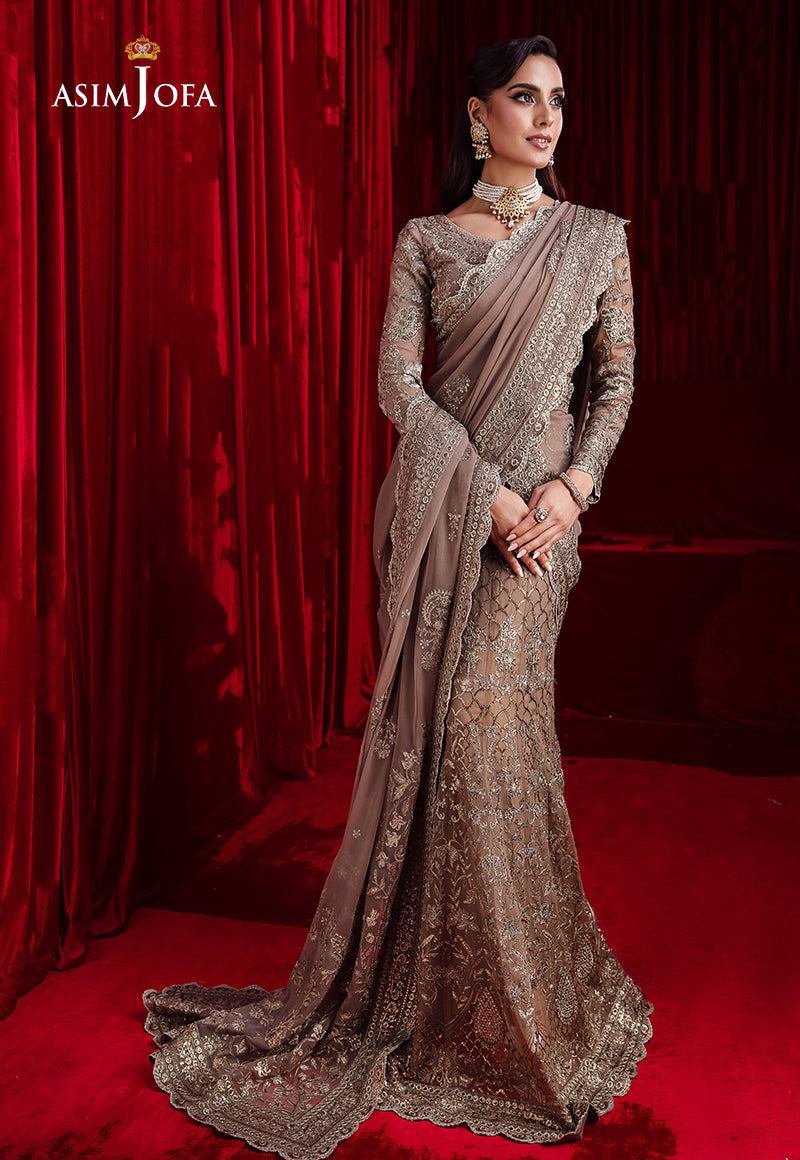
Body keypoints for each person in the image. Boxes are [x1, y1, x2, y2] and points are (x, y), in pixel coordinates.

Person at [143, 34, 654, 1159]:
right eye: (522, 97)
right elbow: (396, 386)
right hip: (450, 528)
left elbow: (613, 384)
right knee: (456, 744)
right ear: (477, 115)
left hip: (541, 541)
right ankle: (445, 1000)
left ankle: (526, 1001)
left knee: (495, 740)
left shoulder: (596, 240)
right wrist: (485, 496)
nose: (546, 117)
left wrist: (567, 493)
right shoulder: (426, 240)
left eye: (557, 99)